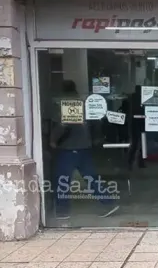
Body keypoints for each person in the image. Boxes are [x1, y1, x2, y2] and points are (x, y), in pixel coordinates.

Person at [50, 80, 120, 220]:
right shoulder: (83, 103)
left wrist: (53, 140)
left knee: (63, 179)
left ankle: (62, 210)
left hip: (69, 147)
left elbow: (62, 126)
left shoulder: (64, 104)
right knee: (91, 177)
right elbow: (95, 123)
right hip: (84, 146)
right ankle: (108, 202)